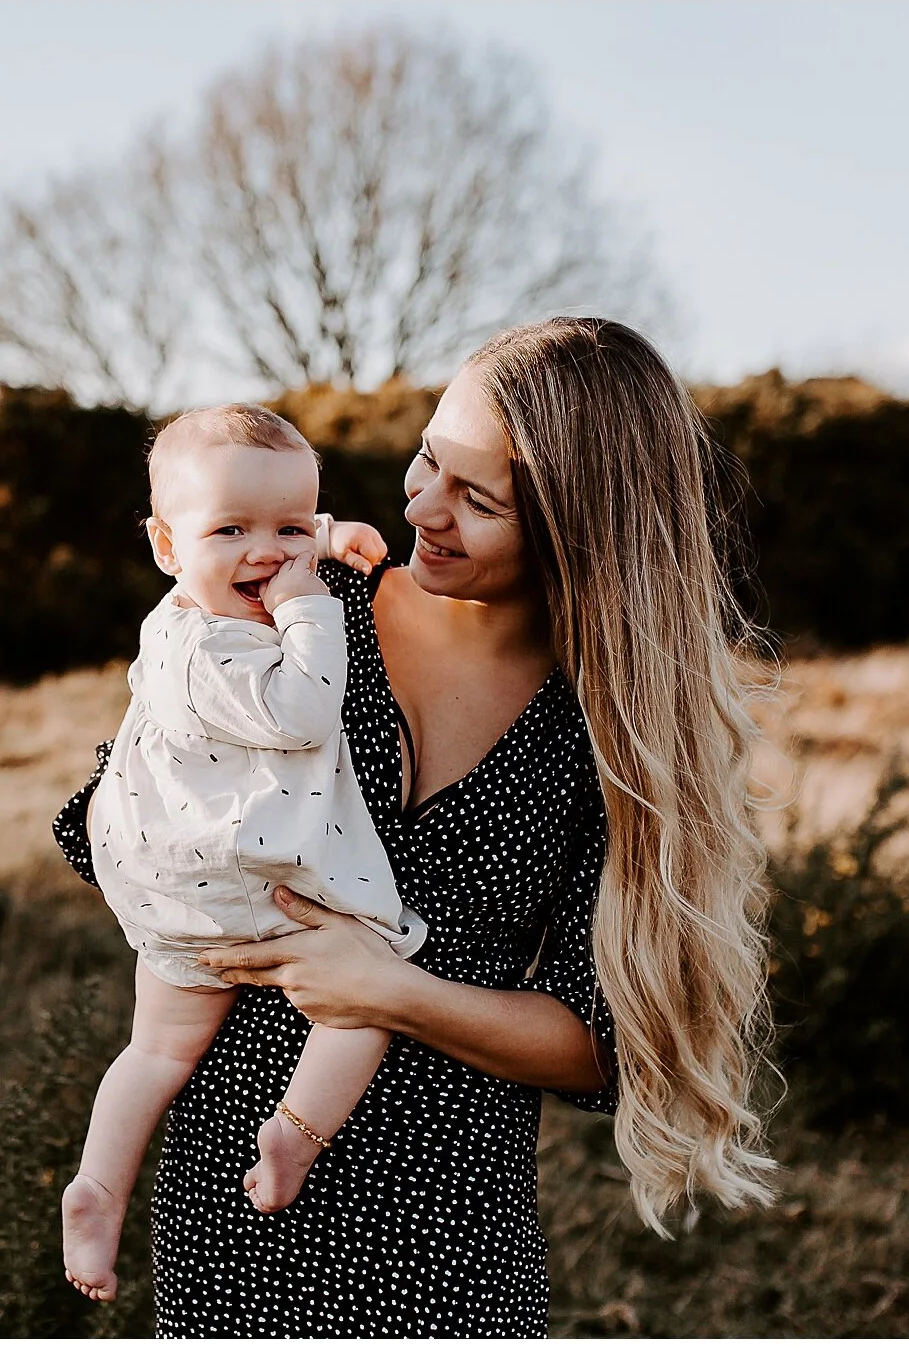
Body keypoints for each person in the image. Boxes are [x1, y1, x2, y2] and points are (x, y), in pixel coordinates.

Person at [53, 318, 779, 1337]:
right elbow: (95, 820)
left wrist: (391, 989)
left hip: (447, 1223)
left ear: (579, 528)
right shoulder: (306, 606)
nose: (422, 508)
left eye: (475, 499)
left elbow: (601, 1042)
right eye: (427, 460)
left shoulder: (609, 725)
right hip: (231, 1192)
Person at [60, 403, 416, 1304]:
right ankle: (297, 1128)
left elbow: (264, 527)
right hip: (242, 882)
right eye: (233, 531)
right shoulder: (213, 647)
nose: (270, 555)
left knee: (155, 1051)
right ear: (165, 545)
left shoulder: (192, 600)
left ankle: (99, 1188)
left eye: (292, 527)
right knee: (369, 990)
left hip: (166, 893)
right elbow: (302, 710)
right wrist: (310, 605)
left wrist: (329, 536)